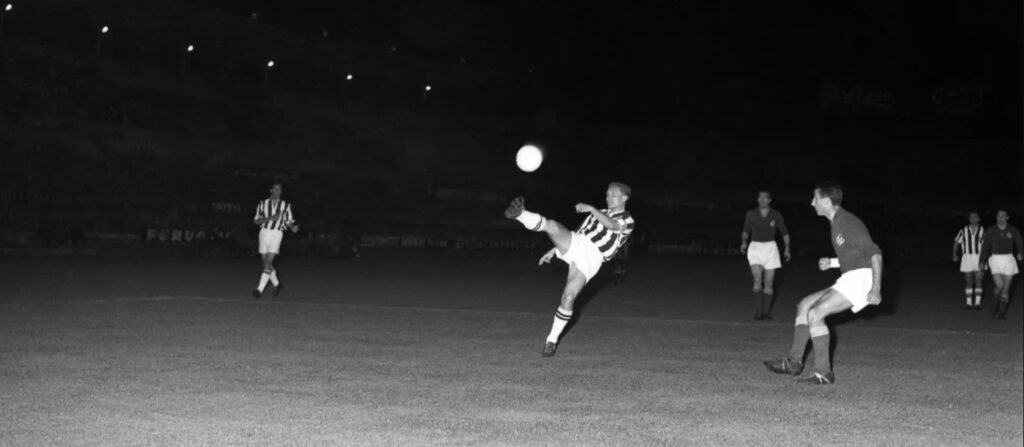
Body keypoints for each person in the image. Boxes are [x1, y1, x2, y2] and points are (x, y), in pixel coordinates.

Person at [764, 182, 882, 385]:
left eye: (815, 198)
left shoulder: (847, 222)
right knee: (804, 305)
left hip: (861, 278)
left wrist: (876, 289)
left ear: (827, 202)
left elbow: (875, 254)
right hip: (850, 276)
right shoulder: (836, 222)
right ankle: (794, 362)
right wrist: (833, 262)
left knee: (815, 314)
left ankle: (823, 373)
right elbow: (855, 255)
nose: (812, 203)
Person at [504, 182, 635, 357]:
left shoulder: (628, 220)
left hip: (593, 256)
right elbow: (579, 234)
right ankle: (520, 214)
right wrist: (556, 250)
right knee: (553, 226)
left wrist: (591, 208)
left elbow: (612, 226)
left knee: (569, 297)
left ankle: (551, 340)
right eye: (607, 194)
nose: (608, 197)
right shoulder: (597, 214)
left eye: (613, 194)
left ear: (625, 197)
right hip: (577, 242)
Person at [740, 190, 791, 320]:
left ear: (769, 200)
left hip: (770, 249)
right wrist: (744, 242)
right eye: (760, 198)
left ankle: (766, 313)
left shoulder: (776, 214)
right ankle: (758, 313)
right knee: (757, 279)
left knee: (768, 284)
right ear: (757, 200)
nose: (762, 200)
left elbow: (784, 232)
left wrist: (787, 248)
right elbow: (746, 230)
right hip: (755, 248)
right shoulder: (751, 214)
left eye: (765, 198)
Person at [251, 181, 299, 299]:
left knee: (268, 263)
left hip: (277, 234)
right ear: (271, 190)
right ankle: (277, 284)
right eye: (275, 189)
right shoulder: (262, 203)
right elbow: (256, 221)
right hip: (264, 233)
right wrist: (270, 218)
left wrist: (292, 228)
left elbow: (288, 222)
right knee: (266, 264)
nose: (277, 191)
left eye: (279, 189)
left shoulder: (285, 205)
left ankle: (259, 290)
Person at [980, 210, 1023, 319]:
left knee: (1006, 289)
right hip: (995, 259)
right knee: (999, 286)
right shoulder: (991, 230)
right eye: (999, 216)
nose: (1001, 218)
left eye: (1003, 216)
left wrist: (1020, 253)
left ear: (1007, 217)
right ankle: (992, 308)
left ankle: (1001, 314)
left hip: (1008, 260)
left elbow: (1019, 243)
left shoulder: (1013, 229)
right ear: (996, 217)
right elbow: (985, 247)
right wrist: (982, 261)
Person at [952, 211, 985, 310]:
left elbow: (986, 246)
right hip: (967, 258)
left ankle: (978, 303)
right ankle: (969, 303)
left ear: (979, 219)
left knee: (979, 280)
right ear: (969, 219)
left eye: (975, 217)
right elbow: (956, 243)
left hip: (979, 257)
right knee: (969, 281)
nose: (973, 219)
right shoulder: (963, 230)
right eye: (971, 217)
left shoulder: (983, 230)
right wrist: (954, 254)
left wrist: (985, 259)